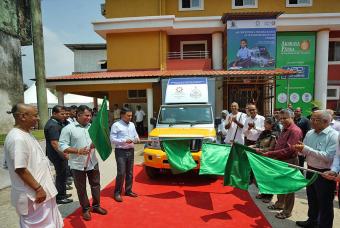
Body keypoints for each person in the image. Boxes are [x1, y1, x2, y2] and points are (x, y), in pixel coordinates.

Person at [4, 104, 63, 227]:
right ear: (23, 116)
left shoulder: (25, 133)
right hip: (34, 195)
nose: (38, 119)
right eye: (35, 115)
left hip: (40, 192)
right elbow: (20, 169)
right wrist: (38, 189)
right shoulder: (17, 138)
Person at [59, 105, 107, 221]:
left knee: (95, 184)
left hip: (93, 161)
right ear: (78, 115)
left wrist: (98, 144)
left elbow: (100, 140)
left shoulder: (93, 128)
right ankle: (85, 209)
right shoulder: (68, 129)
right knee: (81, 188)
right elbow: (62, 145)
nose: (89, 118)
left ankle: (96, 206)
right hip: (77, 164)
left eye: (90, 115)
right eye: (86, 115)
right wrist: (78, 151)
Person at [293, 110, 338, 228]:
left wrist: (306, 149)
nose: (311, 122)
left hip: (325, 173)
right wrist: (299, 150)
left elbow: (328, 157)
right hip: (310, 169)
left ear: (326, 122)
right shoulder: (310, 133)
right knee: (312, 198)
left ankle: (324, 225)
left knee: (325, 203)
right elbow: (305, 152)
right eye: (311, 118)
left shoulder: (334, 136)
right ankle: (312, 221)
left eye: (315, 120)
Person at [263, 109, 302, 219]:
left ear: (292, 117)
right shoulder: (284, 129)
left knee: (289, 187)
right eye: (281, 119)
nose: (282, 120)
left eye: (285, 118)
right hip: (280, 160)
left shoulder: (295, 131)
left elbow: (290, 150)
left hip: (290, 161)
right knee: (280, 184)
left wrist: (271, 153)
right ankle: (280, 203)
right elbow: (279, 145)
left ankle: (287, 211)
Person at [110, 107, 140, 202]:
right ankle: (117, 193)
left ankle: (128, 190)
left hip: (130, 150)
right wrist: (124, 141)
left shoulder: (132, 124)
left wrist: (137, 138)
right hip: (121, 151)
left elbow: (135, 135)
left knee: (130, 173)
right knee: (121, 172)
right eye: (128, 115)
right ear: (122, 115)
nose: (130, 117)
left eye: (131, 115)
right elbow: (112, 139)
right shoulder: (116, 125)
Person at [44, 105, 72, 204]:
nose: (64, 115)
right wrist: (64, 154)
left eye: (65, 113)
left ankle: (62, 192)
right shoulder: (53, 125)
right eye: (62, 114)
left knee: (63, 174)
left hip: (59, 153)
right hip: (57, 154)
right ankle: (60, 196)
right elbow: (55, 143)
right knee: (61, 175)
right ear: (54, 113)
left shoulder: (58, 123)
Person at [251, 117, 279, 203]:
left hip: (269, 158)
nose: (264, 125)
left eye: (266, 123)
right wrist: (251, 147)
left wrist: (260, 150)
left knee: (268, 178)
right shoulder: (264, 133)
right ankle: (263, 192)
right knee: (260, 177)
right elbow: (257, 144)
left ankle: (269, 195)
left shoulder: (275, 135)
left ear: (271, 125)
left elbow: (271, 148)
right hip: (260, 158)